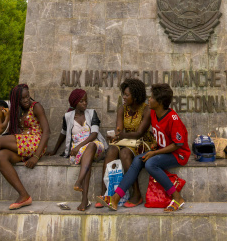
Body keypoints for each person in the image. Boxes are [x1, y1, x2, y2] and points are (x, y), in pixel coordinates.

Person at [98, 82, 190, 213]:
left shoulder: (172, 118)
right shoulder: (153, 113)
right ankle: (115, 198)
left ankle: (177, 197)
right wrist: (154, 146)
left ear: (160, 102)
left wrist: (154, 152)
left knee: (150, 163)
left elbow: (177, 144)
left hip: (178, 154)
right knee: (137, 160)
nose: (149, 99)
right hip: (162, 151)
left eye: (152, 98)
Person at [96, 77, 154, 208]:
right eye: (124, 94)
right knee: (111, 150)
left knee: (124, 153)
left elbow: (139, 133)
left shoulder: (147, 110)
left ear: (136, 96)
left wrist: (121, 136)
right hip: (126, 140)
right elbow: (119, 129)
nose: (124, 97)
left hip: (142, 142)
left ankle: (137, 194)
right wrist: (114, 136)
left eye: (127, 95)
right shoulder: (122, 108)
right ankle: (105, 193)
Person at [47, 88, 107, 212]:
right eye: (81, 101)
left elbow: (94, 134)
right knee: (87, 158)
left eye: (86, 101)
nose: (85, 103)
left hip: (95, 146)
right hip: (80, 151)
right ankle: (84, 199)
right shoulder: (68, 117)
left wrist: (79, 146)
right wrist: (54, 150)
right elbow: (63, 134)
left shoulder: (92, 113)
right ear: (75, 103)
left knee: (90, 146)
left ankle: (79, 181)